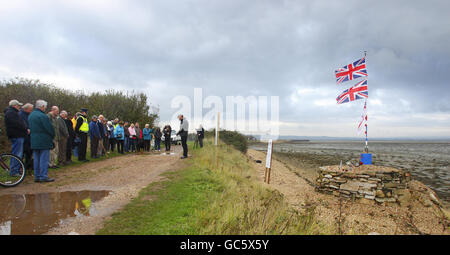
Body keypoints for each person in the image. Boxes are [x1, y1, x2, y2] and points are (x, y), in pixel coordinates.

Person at [28, 100, 55, 182]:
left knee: (36, 159)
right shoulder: (43, 116)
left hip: (34, 140)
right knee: (44, 159)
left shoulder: (31, 115)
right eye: (45, 107)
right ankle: (43, 176)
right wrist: (52, 135)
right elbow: (49, 128)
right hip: (43, 140)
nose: (45, 109)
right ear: (42, 106)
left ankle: (37, 176)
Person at [4, 99, 27, 176]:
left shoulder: (12, 112)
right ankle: (14, 171)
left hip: (17, 135)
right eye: (18, 105)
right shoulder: (11, 113)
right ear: (14, 105)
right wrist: (25, 128)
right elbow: (18, 124)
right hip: (17, 135)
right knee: (17, 154)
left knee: (16, 153)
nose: (19, 107)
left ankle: (14, 170)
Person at [19, 103, 33, 170]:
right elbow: (22, 124)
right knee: (22, 153)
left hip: (29, 137)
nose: (31, 111)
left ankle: (27, 166)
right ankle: (20, 167)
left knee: (29, 152)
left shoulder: (29, 115)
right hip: (24, 137)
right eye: (30, 110)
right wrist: (27, 128)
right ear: (25, 109)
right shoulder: (20, 114)